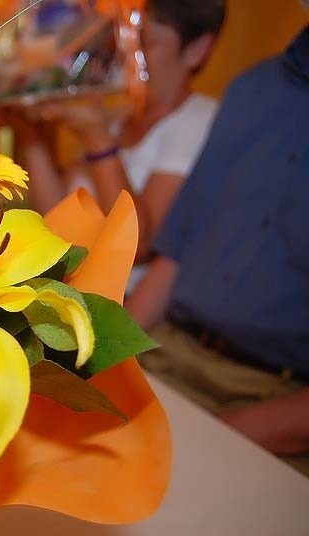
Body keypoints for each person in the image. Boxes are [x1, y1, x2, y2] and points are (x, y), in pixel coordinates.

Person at [127, 22, 309, 474]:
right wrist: (106, 355)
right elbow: (177, 251)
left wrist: (225, 436)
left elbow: (140, 239)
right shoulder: (252, 89)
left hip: (270, 395)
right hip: (170, 350)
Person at [18, 0, 225, 288]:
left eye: (145, 41)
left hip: (121, 304)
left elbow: (139, 245)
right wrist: (28, 129)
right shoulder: (117, 114)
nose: (127, 51)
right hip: (69, 291)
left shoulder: (201, 120)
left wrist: (97, 139)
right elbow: (55, 217)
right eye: (124, 36)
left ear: (197, 49)